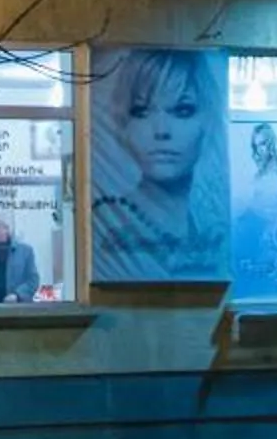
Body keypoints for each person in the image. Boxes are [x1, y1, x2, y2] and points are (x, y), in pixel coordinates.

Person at [91, 46, 227, 279]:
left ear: (208, 122)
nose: (162, 131)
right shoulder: (107, 222)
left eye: (182, 110)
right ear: (122, 124)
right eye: (142, 111)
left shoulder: (213, 224)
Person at [230, 118, 277, 298]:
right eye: (257, 146)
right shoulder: (258, 176)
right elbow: (253, 204)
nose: (261, 150)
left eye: (264, 143)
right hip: (258, 231)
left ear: (272, 143)